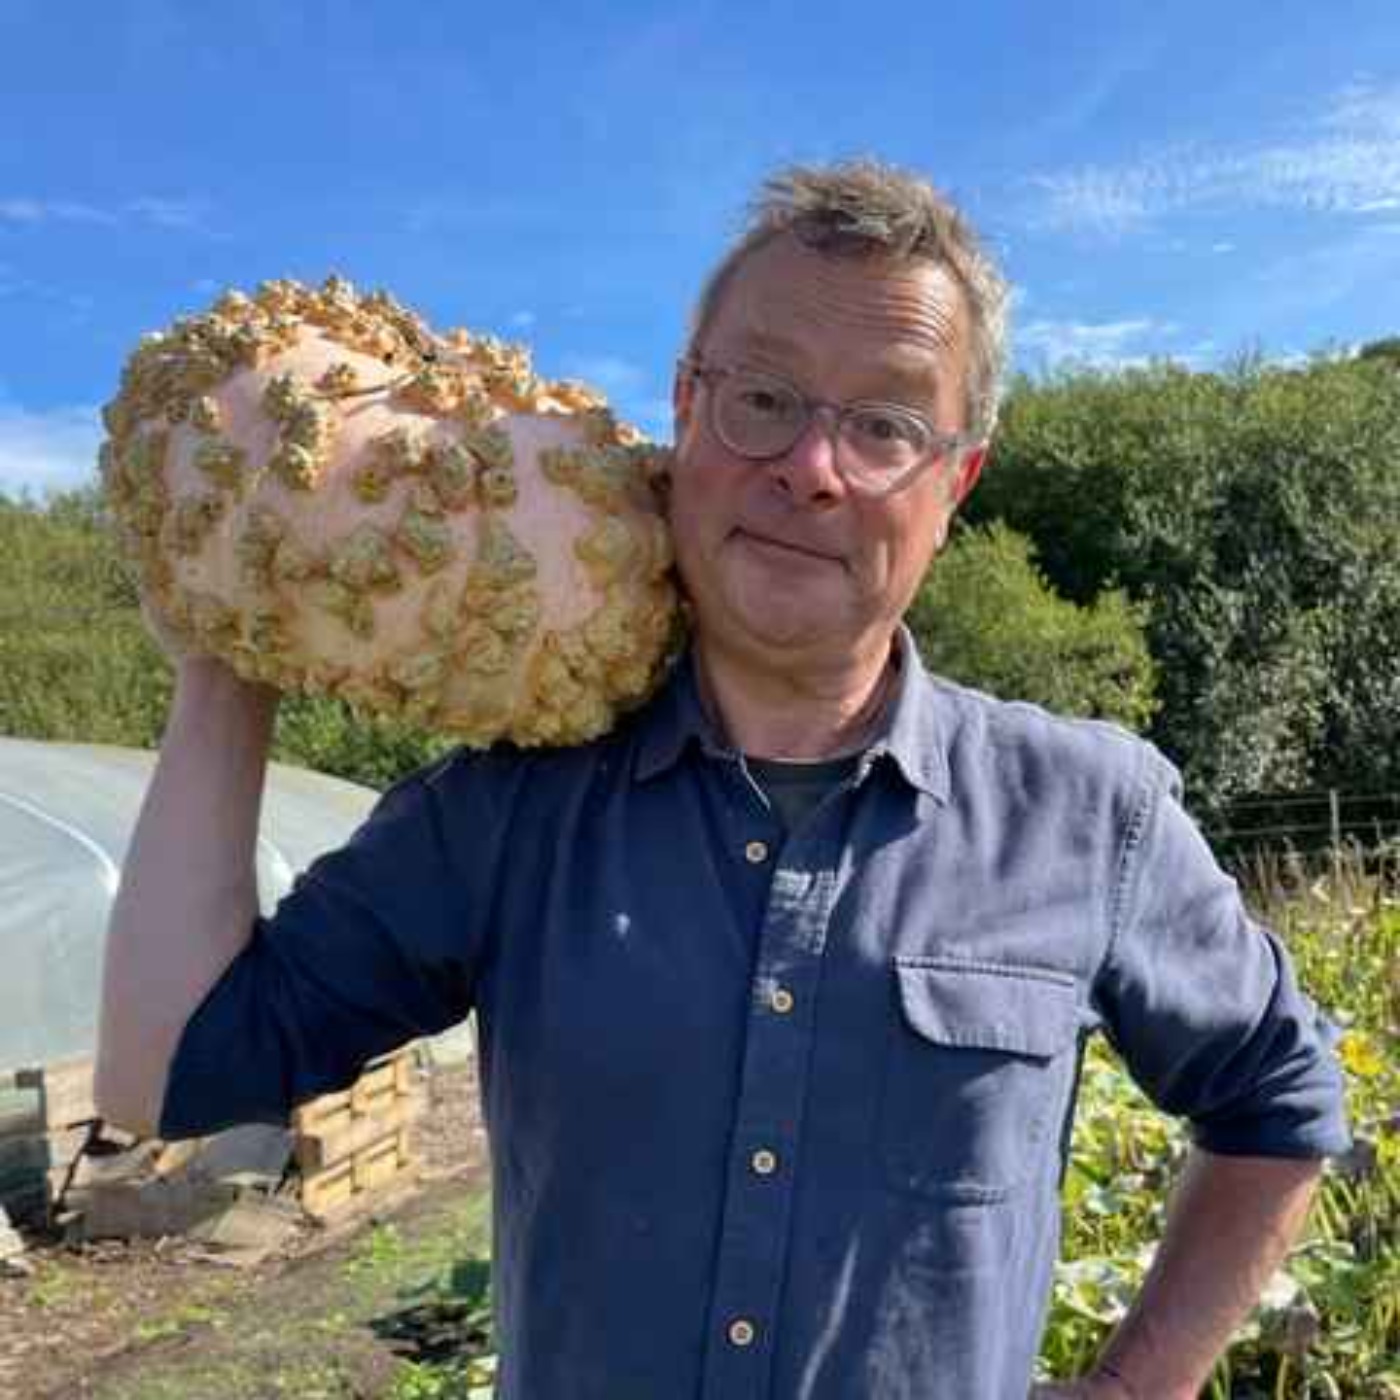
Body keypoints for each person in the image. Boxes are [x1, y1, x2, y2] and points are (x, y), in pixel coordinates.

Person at [95, 160, 1349, 1400]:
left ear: (953, 482)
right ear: (684, 408)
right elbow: (164, 1073)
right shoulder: (508, 808)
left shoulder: (1086, 812)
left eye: (886, 424)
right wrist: (233, 637)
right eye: (763, 395)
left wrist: (1142, 1381)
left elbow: (1279, 1096)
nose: (813, 465)